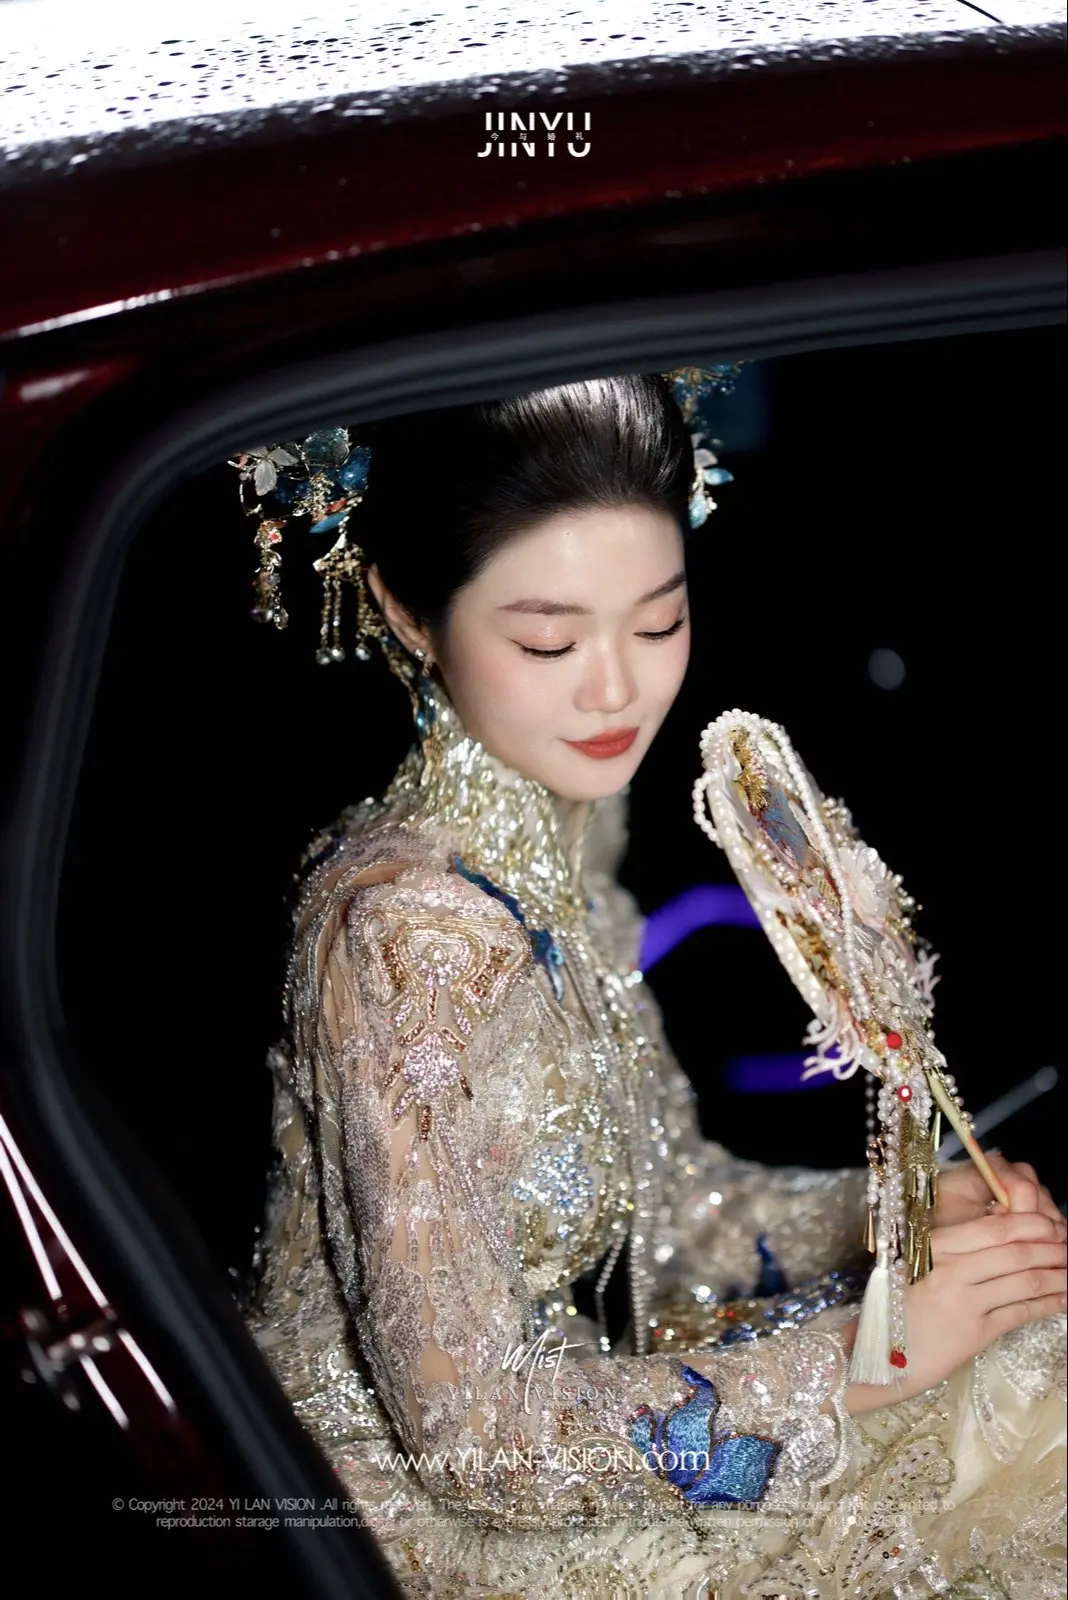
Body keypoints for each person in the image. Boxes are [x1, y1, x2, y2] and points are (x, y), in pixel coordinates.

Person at [239, 374, 1065, 1599]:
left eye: (660, 622)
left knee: (1028, 1357)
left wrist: (898, 1217)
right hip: (407, 1524)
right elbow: (477, 1442)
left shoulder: (567, 833)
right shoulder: (406, 931)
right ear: (408, 610)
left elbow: (667, 1215)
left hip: (583, 1407)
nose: (617, 690)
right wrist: (863, 1357)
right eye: (549, 641)